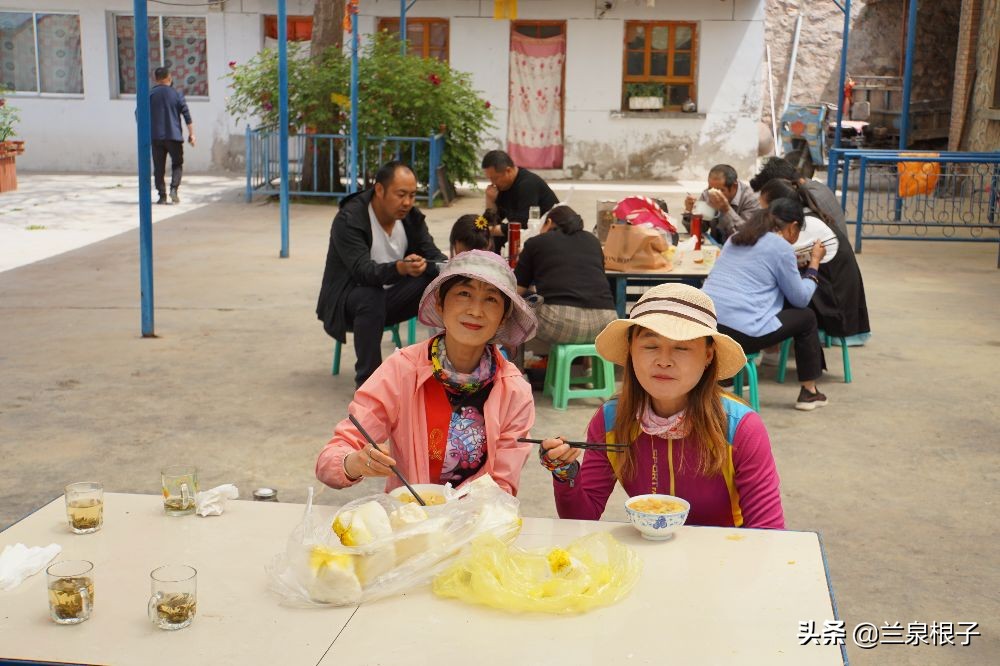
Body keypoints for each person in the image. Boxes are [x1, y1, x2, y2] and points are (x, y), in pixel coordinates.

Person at [536, 284, 784, 528]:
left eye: (682, 347)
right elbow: (582, 517)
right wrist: (565, 472)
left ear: (708, 355)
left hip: (726, 556)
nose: (664, 361)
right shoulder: (610, 419)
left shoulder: (740, 427)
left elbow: (769, 532)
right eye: (651, 345)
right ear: (631, 350)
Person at [315, 250, 538, 495]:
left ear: (504, 317)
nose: (476, 310)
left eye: (491, 299)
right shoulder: (401, 370)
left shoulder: (515, 391)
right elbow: (331, 459)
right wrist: (354, 463)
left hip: (476, 521)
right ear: (441, 304)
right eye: (464, 293)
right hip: (409, 517)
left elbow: (503, 485)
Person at [316, 161, 447, 387]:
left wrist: (442, 266)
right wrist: (400, 268)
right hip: (349, 304)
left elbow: (432, 254)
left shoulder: (411, 217)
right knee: (370, 295)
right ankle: (369, 384)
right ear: (379, 190)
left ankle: (445, 370)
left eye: (413, 195)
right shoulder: (349, 219)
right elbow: (362, 272)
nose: (407, 202)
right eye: (400, 194)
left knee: (439, 281)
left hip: (390, 301)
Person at [702, 199, 830, 411]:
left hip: (707, 326)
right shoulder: (781, 248)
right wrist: (814, 263)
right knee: (806, 317)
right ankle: (810, 392)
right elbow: (800, 298)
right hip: (743, 335)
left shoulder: (736, 238)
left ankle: (727, 377)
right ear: (793, 226)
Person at [751, 159, 870, 342]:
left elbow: (774, 259)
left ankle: (771, 351)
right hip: (833, 292)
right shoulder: (803, 215)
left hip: (836, 304)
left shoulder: (805, 225)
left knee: (773, 295)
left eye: (766, 211)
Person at [513, 204, 617, 354]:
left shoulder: (536, 242)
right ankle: (587, 368)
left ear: (548, 222)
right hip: (605, 323)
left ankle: (521, 368)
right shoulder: (593, 241)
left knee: (522, 306)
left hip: (560, 324)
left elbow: (516, 291)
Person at [481, 150, 559, 253]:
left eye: (495, 178)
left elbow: (522, 224)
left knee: (499, 235)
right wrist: (490, 200)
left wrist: (489, 230)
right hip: (528, 232)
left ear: (508, 171)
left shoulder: (527, 184)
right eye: (489, 179)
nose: (492, 183)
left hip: (549, 234)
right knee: (489, 239)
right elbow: (495, 220)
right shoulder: (503, 186)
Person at [149, 67, 195, 205]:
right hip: (174, 136)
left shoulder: (150, 94)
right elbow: (186, 115)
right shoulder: (177, 94)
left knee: (159, 167)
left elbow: (138, 114)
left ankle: (162, 196)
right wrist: (192, 134)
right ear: (170, 77)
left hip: (156, 137)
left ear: (155, 79)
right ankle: (174, 189)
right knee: (177, 164)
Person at [682, 164, 760, 243]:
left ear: (734, 186)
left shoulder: (751, 199)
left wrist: (727, 210)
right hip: (716, 246)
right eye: (710, 188)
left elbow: (745, 236)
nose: (714, 194)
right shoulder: (707, 195)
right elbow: (700, 229)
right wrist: (690, 212)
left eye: (721, 190)